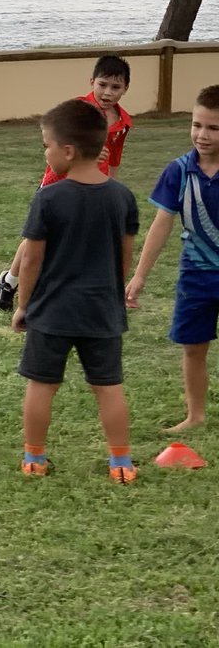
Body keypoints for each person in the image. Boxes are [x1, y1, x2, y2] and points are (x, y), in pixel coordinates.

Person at [11, 99, 139, 483]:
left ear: (67, 150)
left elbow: (32, 259)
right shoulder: (123, 197)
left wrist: (23, 306)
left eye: (47, 145)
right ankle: (121, 463)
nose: (45, 152)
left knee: (42, 384)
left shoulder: (48, 198)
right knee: (108, 387)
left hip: (52, 312)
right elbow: (125, 254)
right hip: (103, 311)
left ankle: (34, 458)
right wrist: (113, 293)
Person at [0, 55, 133, 312]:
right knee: (39, 236)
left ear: (125, 89)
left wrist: (112, 189)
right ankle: (10, 280)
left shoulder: (123, 123)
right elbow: (55, 140)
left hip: (93, 186)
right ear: (92, 82)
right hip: (58, 182)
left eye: (115, 87)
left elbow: (114, 159)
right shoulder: (77, 109)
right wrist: (85, 150)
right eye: (102, 84)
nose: (107, 92)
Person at [125, 84, 219, 432]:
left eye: (213, 127)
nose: (202, 135)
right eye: (197, 125)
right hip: (195, 277)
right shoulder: (178, 171)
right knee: (193, 347)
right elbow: (161, 225)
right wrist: (139, 276)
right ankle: (195, 416)